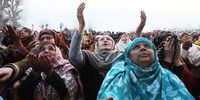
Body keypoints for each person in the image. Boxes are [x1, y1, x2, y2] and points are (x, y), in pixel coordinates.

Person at [69, 2, 146, 100]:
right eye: (102, 39)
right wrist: (81, 26)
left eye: (109, 39)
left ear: (114, 45)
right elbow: (73, 57)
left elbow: (138, 56)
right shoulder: (88, 57)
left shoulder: (121, 57)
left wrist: (138, 33)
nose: (105, 40)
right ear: (96, 45)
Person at [97, 37, 194, 100]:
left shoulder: (169, 77)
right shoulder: (119, 77)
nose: (143, 49)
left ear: (155, 54)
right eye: (135, 47)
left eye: (147, 46)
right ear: (128, 57)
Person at [15, 43, 81, 100]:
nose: (46, 51)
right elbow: (22, 94)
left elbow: (68, 93)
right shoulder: (33, 68)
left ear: (58, 54)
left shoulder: (66, 68)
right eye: (42, 49)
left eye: (51, 49)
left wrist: (49, 71)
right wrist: (35, 73)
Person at [153, 31, 200, 99]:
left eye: (176, 43)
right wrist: (167, 60)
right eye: (169, 44)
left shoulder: (179, 59)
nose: (172, 47)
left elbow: (191, 84)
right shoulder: (155, 64)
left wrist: (177, 60)